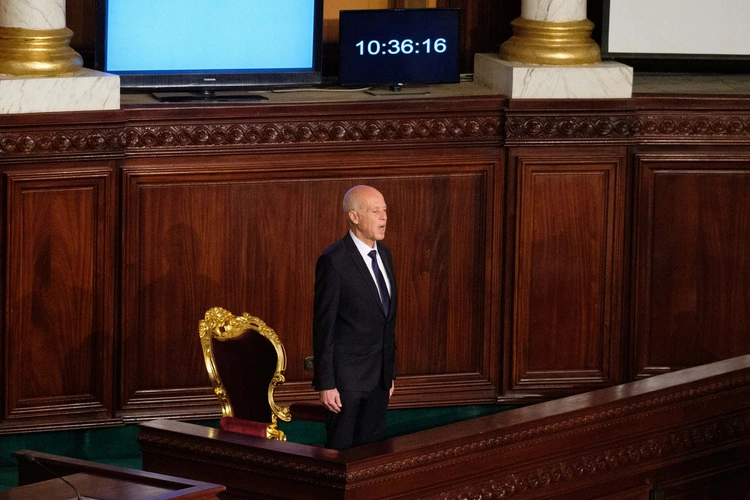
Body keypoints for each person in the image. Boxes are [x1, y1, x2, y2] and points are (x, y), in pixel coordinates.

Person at [313, 185, 397, 449]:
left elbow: (386, 319)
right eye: (375, 211)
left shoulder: (384, 254)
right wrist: (326, 383)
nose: (383, 218)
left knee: (371, 459)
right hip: (345, 385)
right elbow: (323, 327)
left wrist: (389, 373)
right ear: (354, 216)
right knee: (343, 460)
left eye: (384, 211)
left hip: (379, 381)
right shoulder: (334, 260)